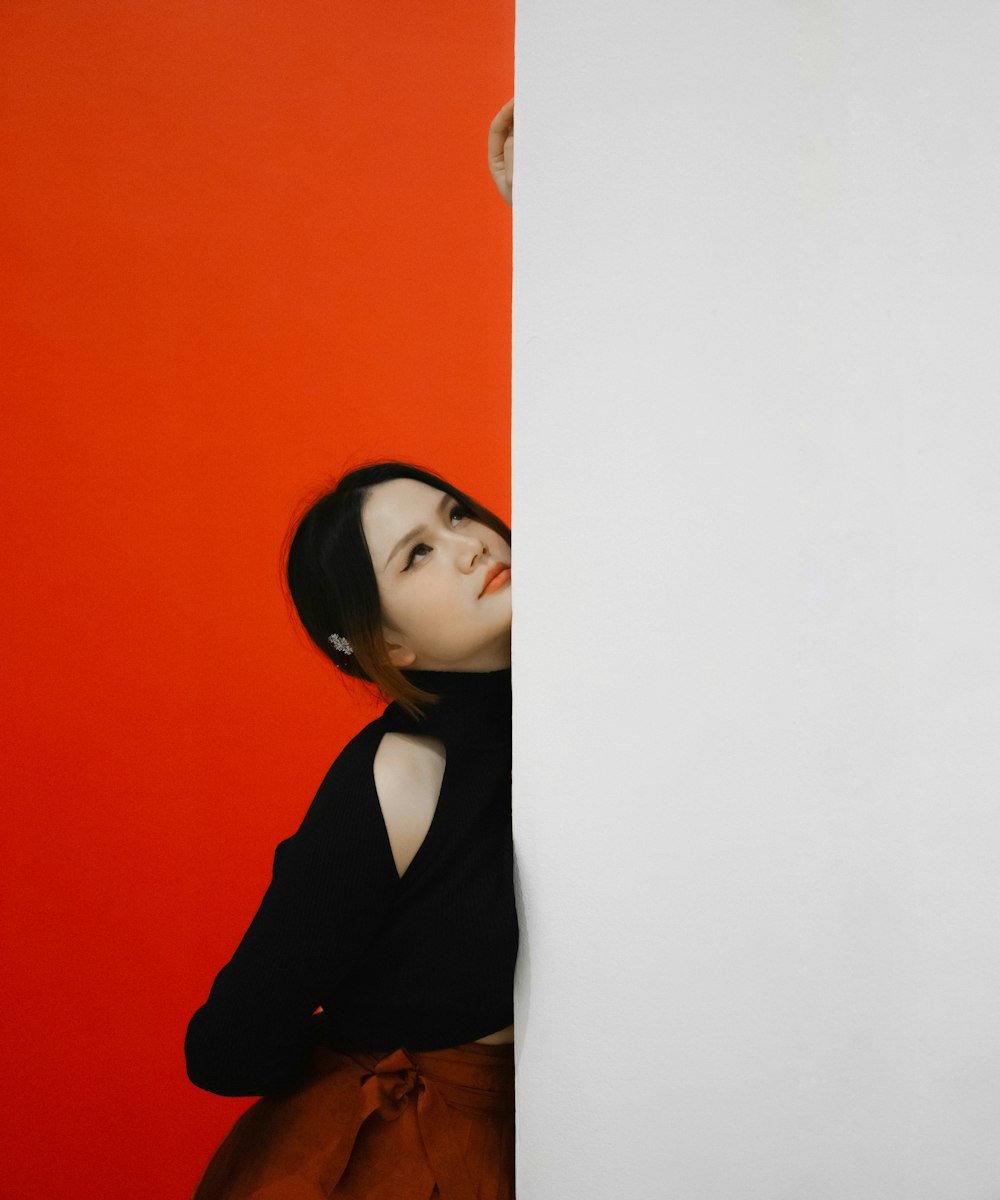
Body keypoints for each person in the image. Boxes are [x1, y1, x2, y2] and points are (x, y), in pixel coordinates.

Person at [184, 101, 517, 1200]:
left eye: (458, 514)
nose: (470, 545)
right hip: (399, 1152)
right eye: (418, 556)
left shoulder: (583, 687)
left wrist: (541, 208)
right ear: (371, 642)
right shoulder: (400, 775)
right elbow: (228, 1046)